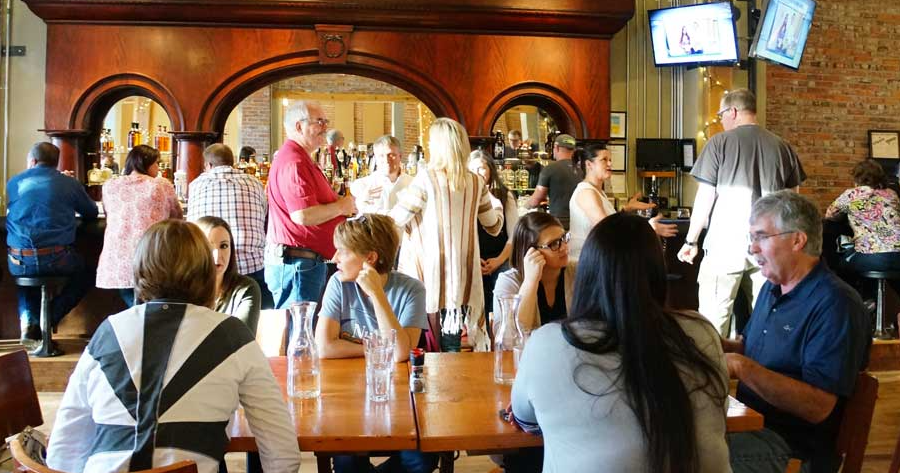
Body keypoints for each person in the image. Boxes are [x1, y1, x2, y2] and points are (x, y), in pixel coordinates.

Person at [45, 219, 301, 473]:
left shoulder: (108, 333)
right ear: (206, 272)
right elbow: (281, 451)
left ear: (140, 270)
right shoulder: (233, 335)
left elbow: (63, 450)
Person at [509, 212, 730, 472]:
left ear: (588, 274)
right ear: (658, 272)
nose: (563, 247)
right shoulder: (701, 332)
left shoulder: (547, 343)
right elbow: (719, 410)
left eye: (563, 240)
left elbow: (525, 418)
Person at [724, 191, 870, 473]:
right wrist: (705, 341)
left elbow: (818, 406)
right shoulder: (772, 289)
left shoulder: (835, 303)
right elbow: (750, 348)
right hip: (753, 426)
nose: (753, 248)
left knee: (685, 453)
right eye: (751, 238)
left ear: (797, 240)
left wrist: (741, 367)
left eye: (761, 237)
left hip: (794, 450)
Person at [677, 88, 806, 337]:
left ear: (733, 111)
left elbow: (705, 197)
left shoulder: (719, 143)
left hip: (725, 244)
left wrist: (691, 240)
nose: (720, 120)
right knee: (769, 321)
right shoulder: (783, 147)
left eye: (721, 115)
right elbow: (793, 202)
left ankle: (716, 363)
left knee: (714, 321)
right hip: (771, 247)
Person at [314, 214, 435, 473]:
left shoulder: (412, 290)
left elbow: (401, 353)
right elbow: (324, 347)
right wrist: (379, 350)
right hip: (347, 398)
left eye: (343, 251)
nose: (334, 258)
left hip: (401, 401)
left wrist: (376, 294)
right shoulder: (338, 283)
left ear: (370, 258)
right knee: (347, 461)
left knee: (422, 460)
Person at [390, 117, 504, 352]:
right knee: (452, 343)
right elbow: (493, 226)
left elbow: (395, 220)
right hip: (462, 276)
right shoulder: (476, 182)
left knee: (423, 344)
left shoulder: (426, 179)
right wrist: (500, 208)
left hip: (428, 275)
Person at [265, 100, 356, 309]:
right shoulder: (294, 162)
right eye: (319, 122)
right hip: (297, 265)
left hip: (303, 263)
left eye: (326, 122)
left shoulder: (301, 158)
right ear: (299, 126)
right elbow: (302, 215)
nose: (325, 127)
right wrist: (341, 207)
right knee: (299, 327)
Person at [6, 142, 99, 347]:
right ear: (56, 163)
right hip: (57, 259)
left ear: (32, 161)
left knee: (26, 274)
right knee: (88, 274)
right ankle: (47, 320)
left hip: (18, 258)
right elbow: (91, 212)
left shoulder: (14, 182)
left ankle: (29, 323)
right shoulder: (69, 183)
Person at [97, 144, 182, 307]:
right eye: (156, 163)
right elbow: (177, 217)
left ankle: (139, 314)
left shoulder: (110, 185)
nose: (158, 168)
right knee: (153, 299)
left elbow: (109, 215)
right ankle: (144, 316)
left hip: (117, 260)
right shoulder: (161, 185)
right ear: (146, 163)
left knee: (130, 295)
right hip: (151, 256)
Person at [187, 143, 271, 309]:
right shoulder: (254, 183)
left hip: (209, 268)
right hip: (252, 266)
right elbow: (265, 214)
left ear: (208, 165)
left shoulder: (196, 184)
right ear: (233, 162)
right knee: (261, 316)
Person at [568, 144, 676, 260]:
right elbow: (607, 229)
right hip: (585, 261)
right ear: (589, 164)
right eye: (604, 160)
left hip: (599, 258)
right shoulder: (586, 193)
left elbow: (611, 222)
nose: (610, 164)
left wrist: (626, 209)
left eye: (610, 160)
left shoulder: (599, 192)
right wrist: (648, 228)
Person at [825, 159, 900, 297]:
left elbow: (830, 215)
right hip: (898, 257)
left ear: (857, 177)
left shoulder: (852, 194)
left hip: (873, 258)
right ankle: (876, 300)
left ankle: (860, 301)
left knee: (840, 265)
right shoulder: (892, 194)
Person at [493, 212, 575, 332]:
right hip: (529, 346)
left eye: (564, 238)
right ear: (530, 252)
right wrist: (530, 282)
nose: (564, 247)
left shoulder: (577, 271)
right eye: (554, 244)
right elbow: (509, 336)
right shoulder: (509, 281)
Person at [467, 149, 518, 317]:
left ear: (490, 170)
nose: (477, 173)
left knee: (501, 306)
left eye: (482, 168)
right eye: (472, 169)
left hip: (500, 257)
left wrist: (498, 260)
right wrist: (474, 259)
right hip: (473, 259)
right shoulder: (465, 196)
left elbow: (514, 235)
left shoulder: (504, 195)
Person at [196, 216, 262, 335]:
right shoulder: (181, 290)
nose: (217, 257)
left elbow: (242, 339)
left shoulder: (246, 289)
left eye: (224, 246)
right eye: (209, 247)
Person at [527, 134, 580, 230]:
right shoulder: (582, 169)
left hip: (559, 223)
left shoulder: (550, 169)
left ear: (557, 147)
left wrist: (525, 206)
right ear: (573, 150)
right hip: (579, 223)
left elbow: (536, 200)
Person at [350, 135, 413, 214]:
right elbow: (354, 190)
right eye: (381, 156)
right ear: (375, 159)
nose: (386, 160)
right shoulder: (364, 185)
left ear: (400, 156)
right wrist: (362, 198)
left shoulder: (413, 184)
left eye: (391, 155)